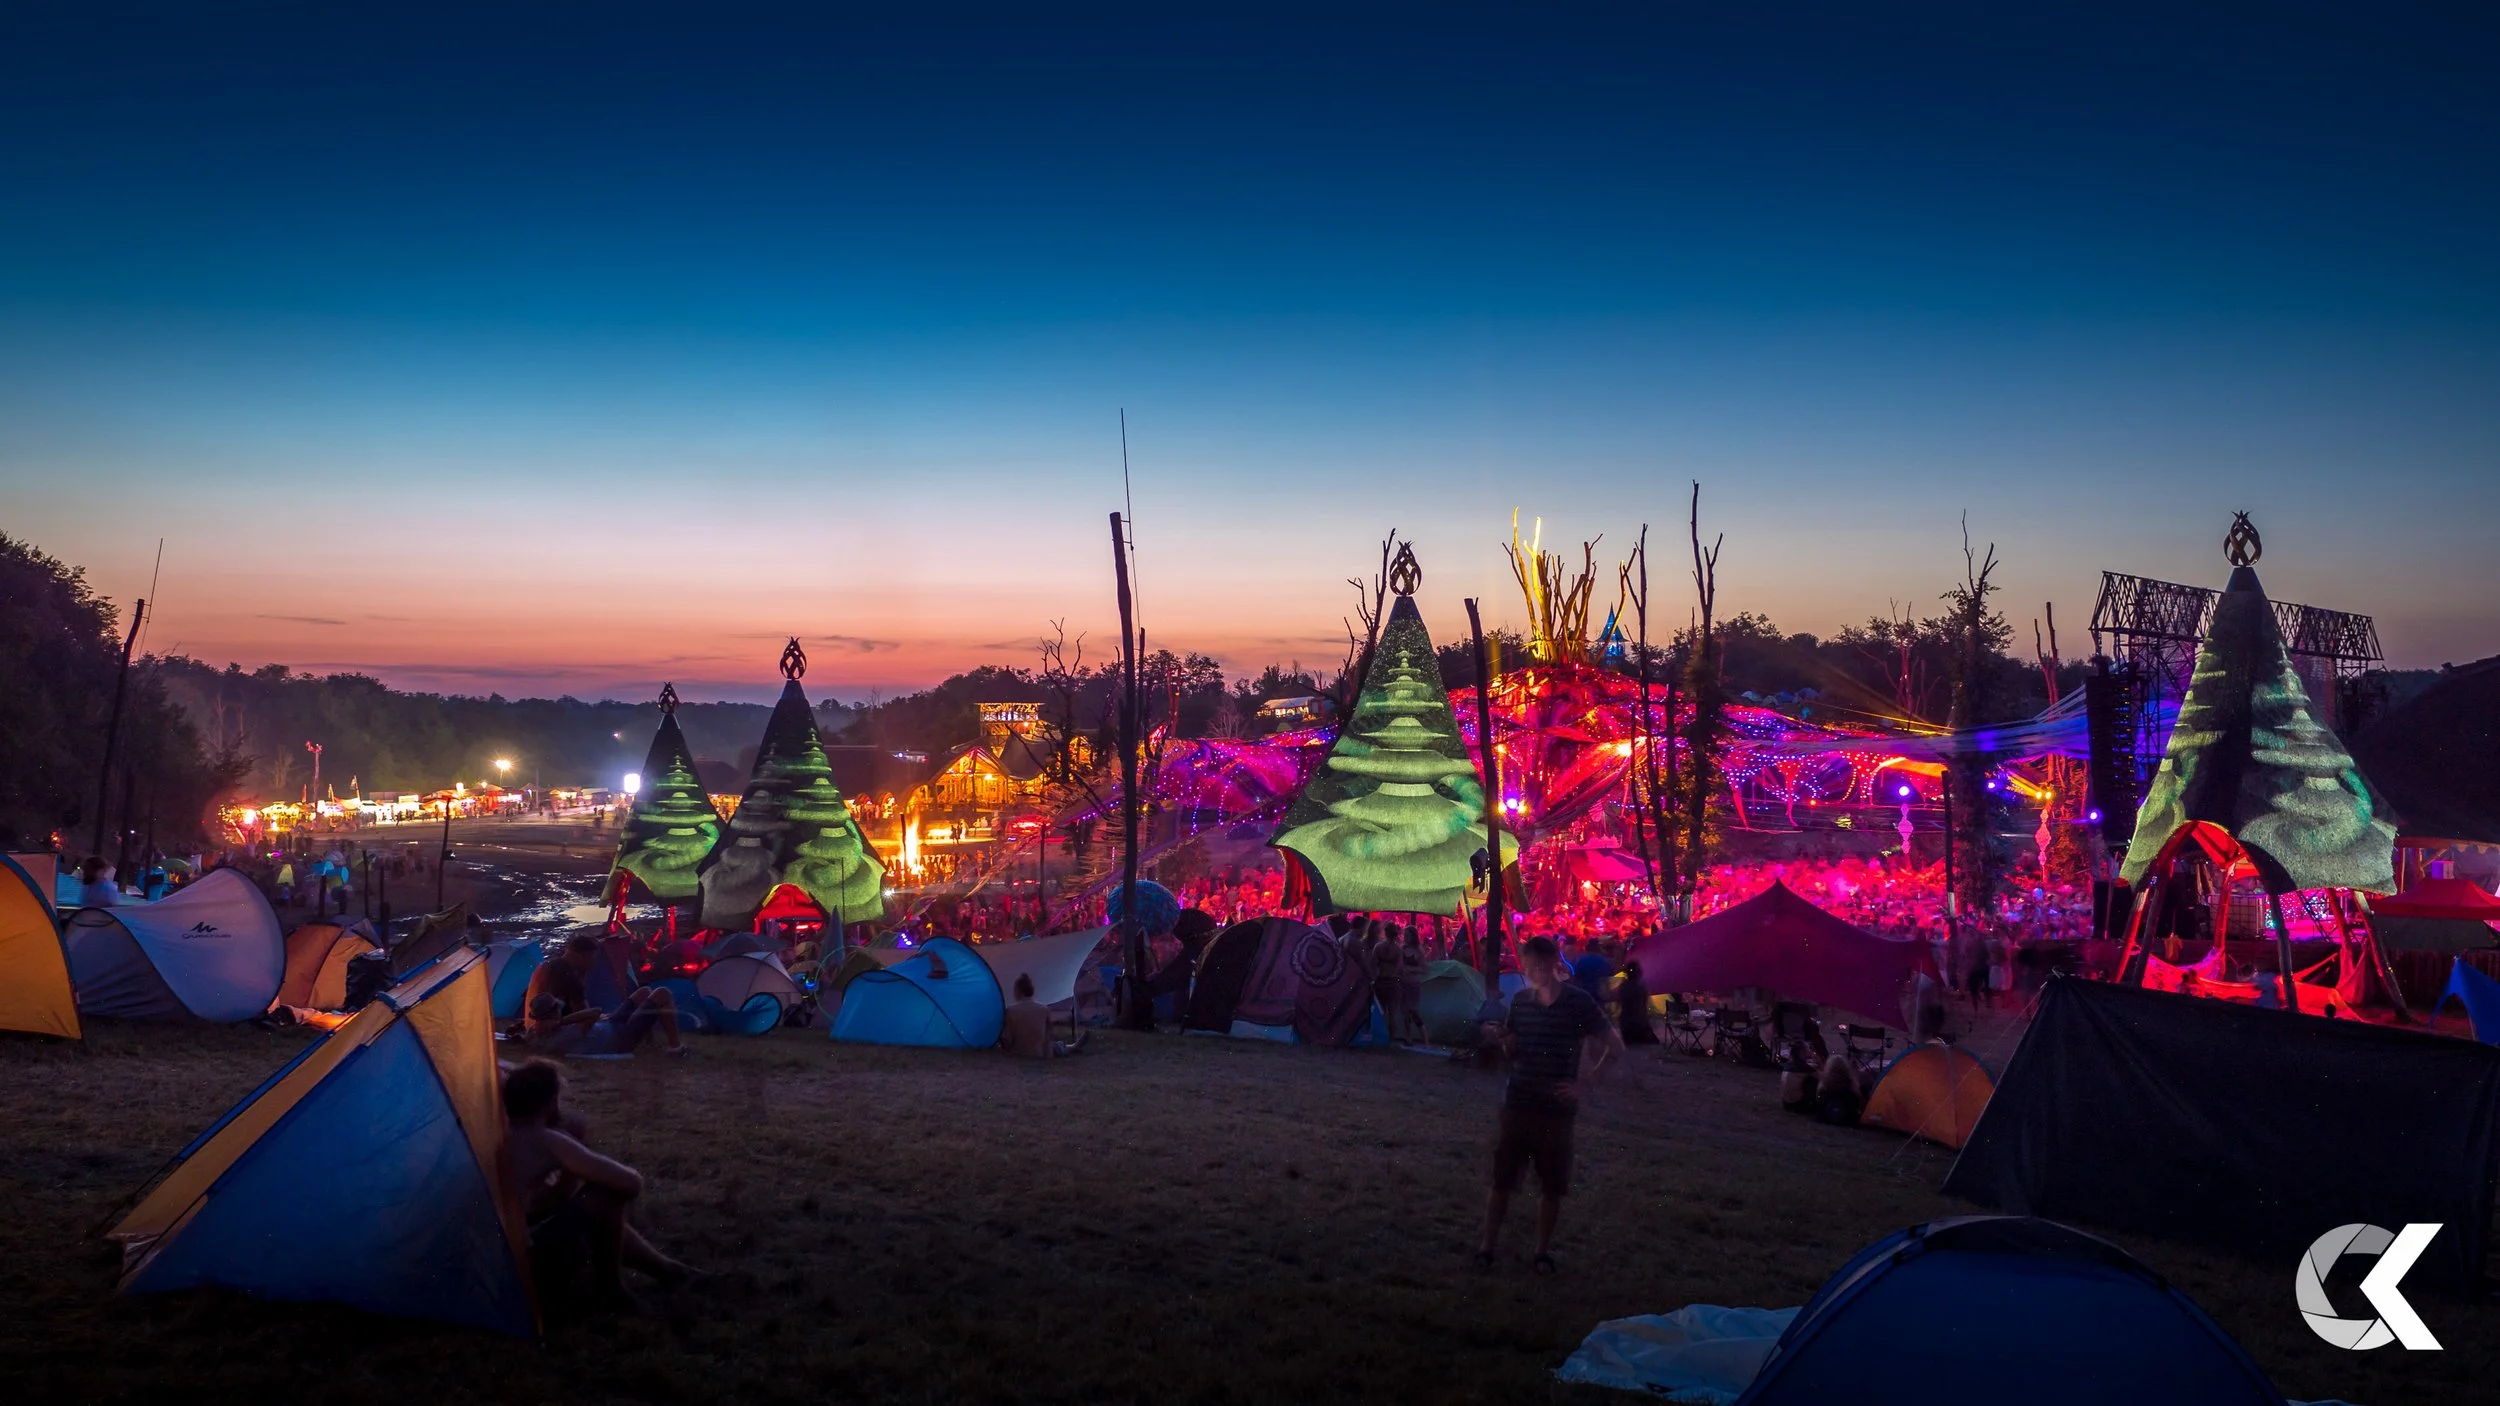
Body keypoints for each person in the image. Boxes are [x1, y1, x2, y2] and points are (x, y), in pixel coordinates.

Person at [1477, 935, 1623, 1273]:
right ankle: (1487, 1247)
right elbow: (1514, 1052)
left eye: (1540, 966)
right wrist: (1503, 1040)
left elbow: (1615, 1047)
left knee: (1551, 1185)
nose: (1534, 973)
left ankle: (1541, 1252)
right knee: (1502, 1180)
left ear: (1554, 963)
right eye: (1529, 967)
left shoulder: (1578, 1002)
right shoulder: (1521, 1002)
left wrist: (1584, 1085)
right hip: (1518, 1101)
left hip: (1554, 1111)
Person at [501, 1059, 696, 1310]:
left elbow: (546, 1201)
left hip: (499, 1264)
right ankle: (611, 1288)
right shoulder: (547, 1140)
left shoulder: (498, 1134)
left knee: (592, 1205)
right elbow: (630, 1183)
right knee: (605, 1195)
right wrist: (575, 1164)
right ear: (550, 1103)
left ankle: (670, 1270)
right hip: (529, 1269)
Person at [524, 935, 686, 1057]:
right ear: (581, 956)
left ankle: (653, 1041)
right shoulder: (567, 977)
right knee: (662, 993)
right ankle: (675, 1047)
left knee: (643, 992)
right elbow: (591, 1012)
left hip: (606, 1026)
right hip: (619, 1037)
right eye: (593, 958)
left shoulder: (535, 1032)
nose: (595, 963)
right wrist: (559, 1022)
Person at [1000, 973, 1087, 1058]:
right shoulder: (1044, 1009)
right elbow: (1048, 1036)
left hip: (1018, 1052)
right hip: (1038, 1053)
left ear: (1018, 991)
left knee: (1056, 1046)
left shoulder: (1011, 1010)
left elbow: (1007, 1039)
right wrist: (1048, 1056)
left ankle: (1073, 1046)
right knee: (1056, 1046)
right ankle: (1073, 1046)